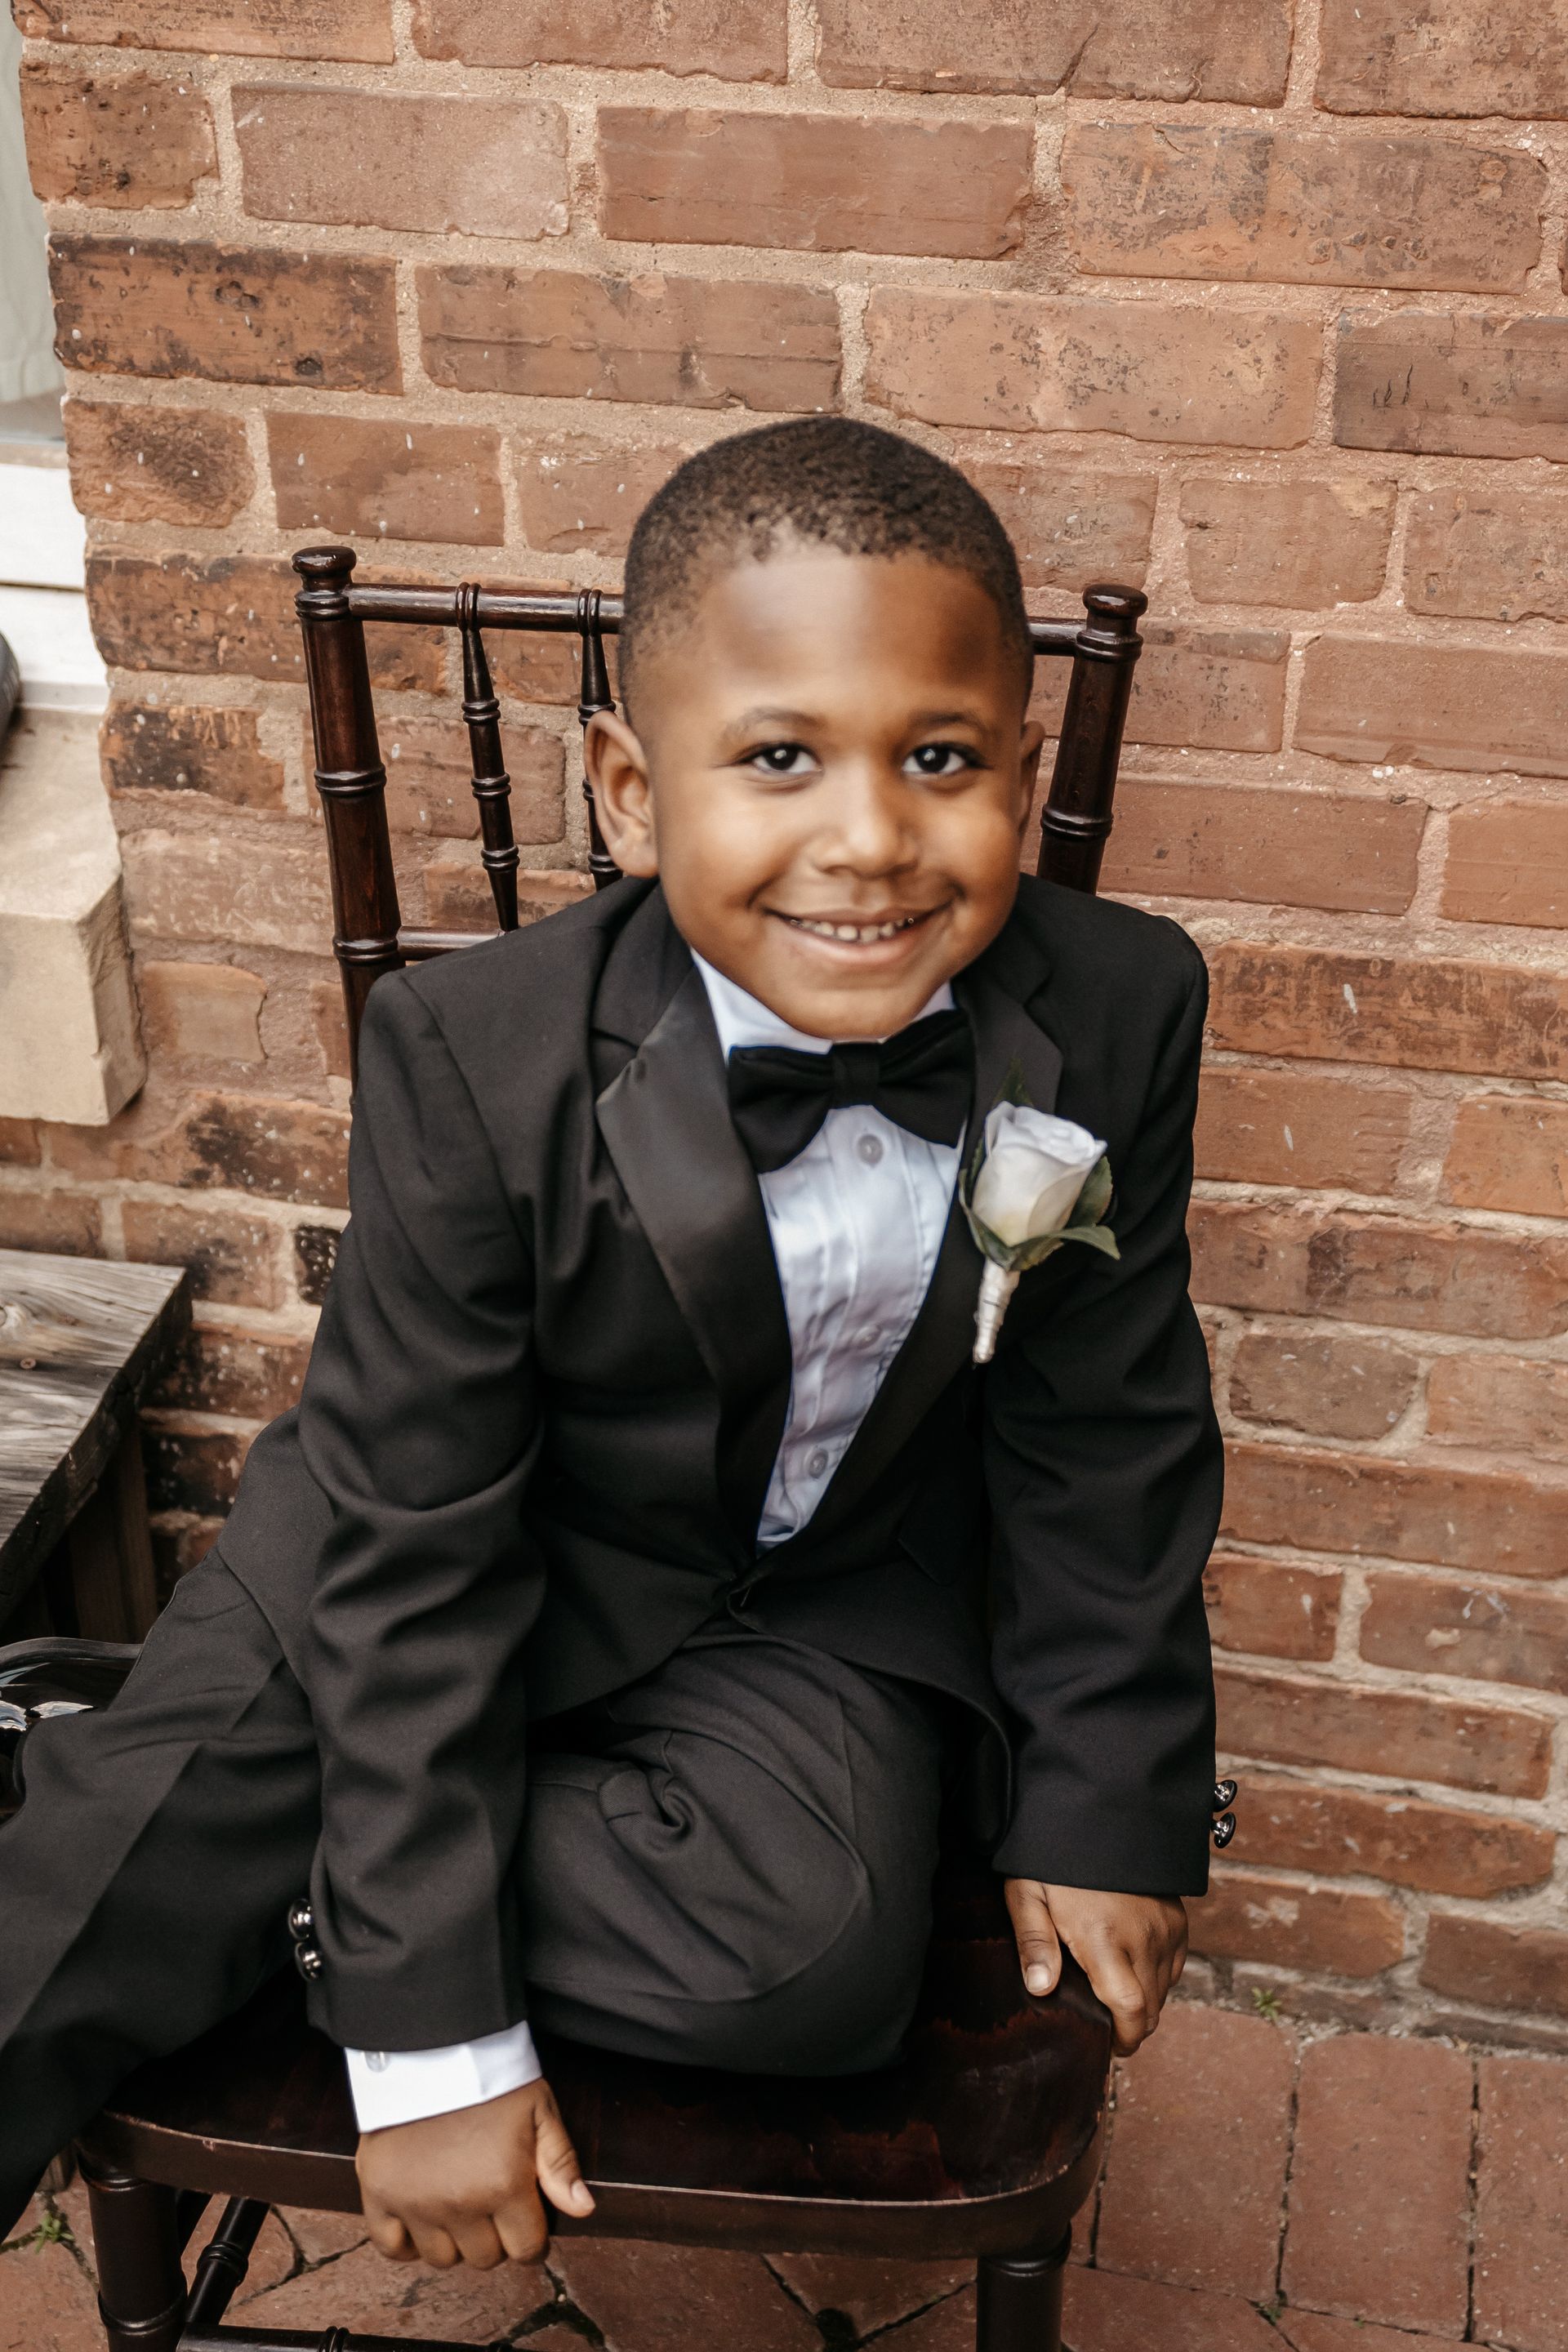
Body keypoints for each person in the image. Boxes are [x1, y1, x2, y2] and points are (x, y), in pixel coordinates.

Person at [0, 417, 1223, 2265]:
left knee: (820, 1960)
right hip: (420, 1552)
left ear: (1021, 770)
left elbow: (1108, 1433)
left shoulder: (1118, 1008)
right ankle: (262, 1858)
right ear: (630, 794)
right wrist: (437, 2052)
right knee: (66, 1929)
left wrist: (1106, 1797)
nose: (870, 837)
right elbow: (417, 1542)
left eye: (942, 758)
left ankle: (311, 1890)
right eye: (782, 757)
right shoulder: (473, 1057)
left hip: (807, 1595)